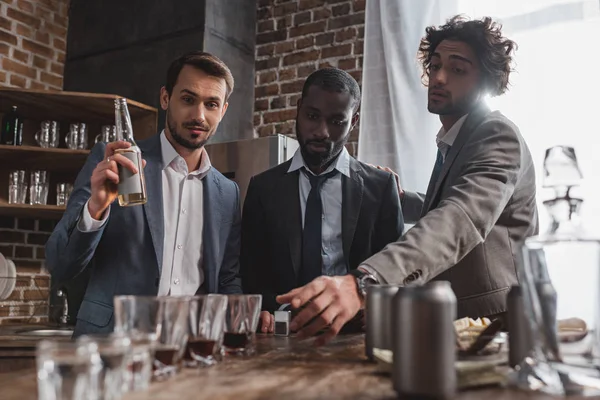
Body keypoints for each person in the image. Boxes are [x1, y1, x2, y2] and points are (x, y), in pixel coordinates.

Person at [277, 16, 538, 345]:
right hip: (462, 320)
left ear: (486, 81)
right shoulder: (456, 139)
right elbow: (449, 200)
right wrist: (402, 197)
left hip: (498, 323)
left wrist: (364, 282)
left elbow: (461, 217)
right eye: (435, 65)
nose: (439, 78)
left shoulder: (497, 134)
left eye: (457, 70)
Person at [46, 51, 247, 336]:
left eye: (211, 104)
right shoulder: (119, 164)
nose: (199, 116)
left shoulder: (227, 192)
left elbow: (227, 279)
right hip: (114, 346)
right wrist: (96, 208)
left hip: (191, 351)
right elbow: (60, 265)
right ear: (166, 98)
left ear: (222, 110)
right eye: (188, 99)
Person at [241, 68, 404, 323]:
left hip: (357, 335)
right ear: (298, 109)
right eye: (312, 116)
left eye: (337, 121)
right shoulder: (263, 188)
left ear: (354, 120)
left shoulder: (381, 187)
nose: (322, 131)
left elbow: (397, 271)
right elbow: (251, 276)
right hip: (282, 334)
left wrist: (373, 305)